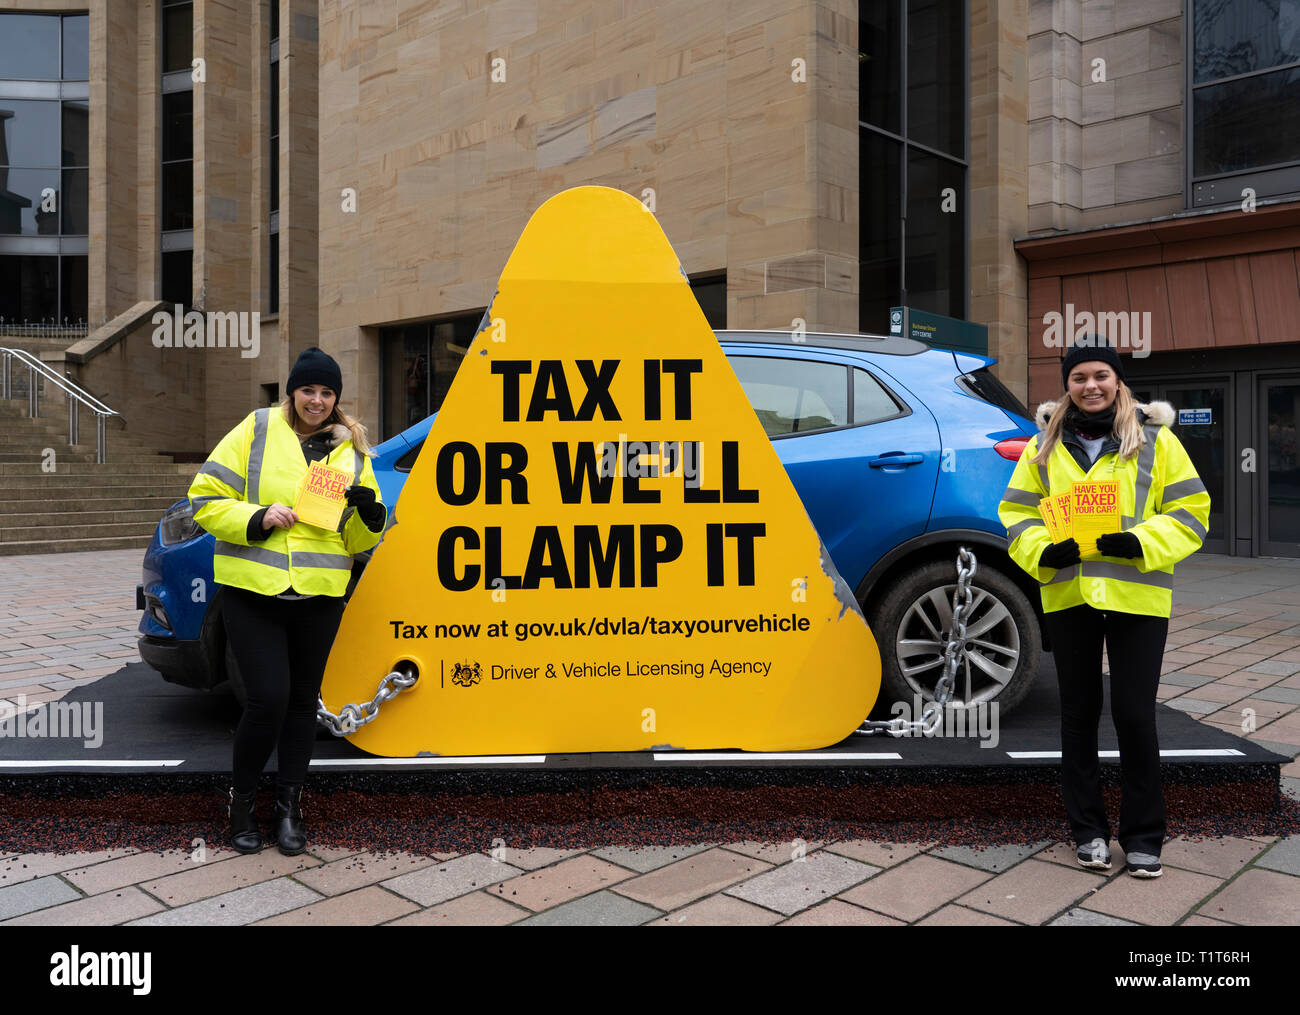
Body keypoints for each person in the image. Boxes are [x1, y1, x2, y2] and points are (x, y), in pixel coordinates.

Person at [998, 339, 1210, 878]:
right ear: (1066, 385)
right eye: (1078, 378)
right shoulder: (1042, 446)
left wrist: (1141, 541)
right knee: (1078, 717)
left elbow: (1192, 511)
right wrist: (1044, 551)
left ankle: (1143, 836)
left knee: (1136, 716)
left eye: (1100, 376)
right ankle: (1087, 831)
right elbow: (1016, 514)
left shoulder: (1157, 440)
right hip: (1069, 596)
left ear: (1117, 380)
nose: (1090, 386)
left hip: (1137, 597)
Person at [187, 347, 386, 855]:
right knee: (267, 698)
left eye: (326, 392)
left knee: (302, 705)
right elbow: (204, 499)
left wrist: (370, 513)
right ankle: (241, 803)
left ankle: (289, 808)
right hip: (255, 591)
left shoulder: (352, 452)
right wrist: (257, 517)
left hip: (317, 597)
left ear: (335, 398)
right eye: (308, 390)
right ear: (291, 392)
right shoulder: (256, 429)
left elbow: (359, 543)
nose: (316, 400)